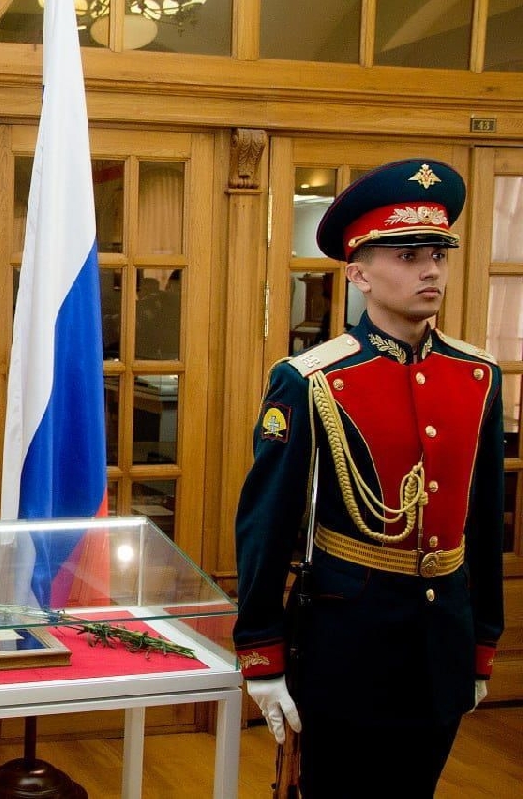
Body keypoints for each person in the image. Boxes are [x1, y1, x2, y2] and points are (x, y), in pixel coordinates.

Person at [233, 159, 504, 797]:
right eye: (407, 256)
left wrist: (482, 642)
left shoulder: (477, 376)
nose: (430, 270)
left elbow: (484, 521)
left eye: (436, 254)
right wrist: (262, 653)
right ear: (358, 273)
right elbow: (267, 525)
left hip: (443, 644)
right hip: (346, 648)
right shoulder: (312, 381)